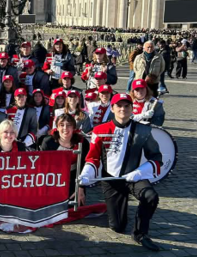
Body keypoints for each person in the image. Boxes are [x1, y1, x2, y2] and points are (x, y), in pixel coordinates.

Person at [79, 93, 162, 252]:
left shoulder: (143, 130)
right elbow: (93, 158)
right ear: (113, 108)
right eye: (119, 106)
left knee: (151, 196)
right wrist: (87, 173)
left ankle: (140, 233)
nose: (123, 109)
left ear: (132, 109)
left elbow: (157, 157)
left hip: (134, 177)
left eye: (126, 106)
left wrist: (139, 172)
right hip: (111, 180)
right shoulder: (100, 130)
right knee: (118, 226)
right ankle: (117, 212)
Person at [39, 113, 89, 206]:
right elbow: (42, 168)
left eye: (69, 125)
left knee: (74, 205)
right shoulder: (48, 142)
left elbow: (85, 167)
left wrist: (81, 188)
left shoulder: (82, 142)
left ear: (73, 127)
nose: (65, 128)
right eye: (62, 125)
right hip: (53, 179)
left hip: (74, 178)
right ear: (57, 127)